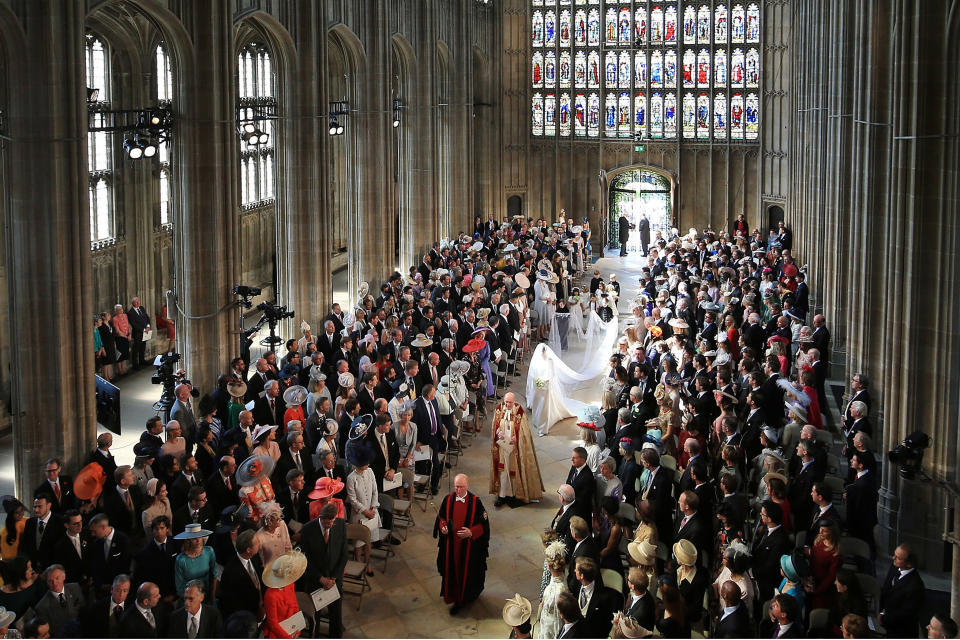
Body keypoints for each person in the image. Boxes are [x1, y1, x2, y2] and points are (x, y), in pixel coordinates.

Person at [434, 474, 490, 615]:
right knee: (451, 573)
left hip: (468, 550)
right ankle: (453, 597)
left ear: (467, 486)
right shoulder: (448, 500)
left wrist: (471, 532)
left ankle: (463, 600)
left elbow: (484, 525)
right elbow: (441, 518)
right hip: (451, 548)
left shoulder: (476, 502)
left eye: (461, 487)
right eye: (456, 487)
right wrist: (443, 528)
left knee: (466, 575)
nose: (458, 490)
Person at [298, 502, 348, 638]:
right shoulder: (308, 529)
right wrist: (320, 578)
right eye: (327, 522)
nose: (331, 525)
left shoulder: (341, 525)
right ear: (321, 517)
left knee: (336, 615)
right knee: (316, 616)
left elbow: (344, 554)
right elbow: (304, 559)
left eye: (333, 521)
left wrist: (334, 578)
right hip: (316, 580)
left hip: (334, 580)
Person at [489, 393, 544, 507]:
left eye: (510, 402)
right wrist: (498, 432)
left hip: (515, 449)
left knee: (515, 472)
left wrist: (517, 438)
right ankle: (502, 495)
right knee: (503, 471)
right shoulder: (499, 410)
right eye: (506, 402)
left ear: (514, 401)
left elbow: (525, 431)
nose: (507, 404)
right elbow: (496, 425)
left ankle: (515, 494)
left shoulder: (519, 413)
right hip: (503, 448)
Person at [879, 544, 925, 638]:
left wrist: (884, 619)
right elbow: (886, 589)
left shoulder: (915, 586)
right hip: (887, 618)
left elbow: (905, 614)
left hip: (901, 631)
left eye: (898, 558)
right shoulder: (895, 566)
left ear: (909, 564)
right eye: (894, 555)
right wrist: (881, 611)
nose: (893, 558)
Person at [261, 550, 306, 638]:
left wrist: (297, 629)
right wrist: (288, 637)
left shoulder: (290, 585)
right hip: (277, 634)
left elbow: (295, 607)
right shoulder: (271, 595)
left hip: (292, 629)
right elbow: (273, 624)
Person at [33, 564, 84, 636]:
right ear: (47, 583)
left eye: (57, 578)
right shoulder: (41, 607)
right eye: (50, 581)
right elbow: (50, 633)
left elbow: (84, 611)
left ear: (64, 577)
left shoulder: (75, 588)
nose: (54, 583)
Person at [172, 523, 217, 597]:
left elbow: (215, 575)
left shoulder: (209, 551)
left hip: (207, 593)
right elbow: (179, 587)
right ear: (188, 540)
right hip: (190, 595)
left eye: (200, 537)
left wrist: (212, 596)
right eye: (194, 538)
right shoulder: (181, 560)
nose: (198, 540)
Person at [126, 297, 151, 369]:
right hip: (138, 333)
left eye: (138, 302)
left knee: (143, 346)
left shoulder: (142, 308)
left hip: (146, 331)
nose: (138, 303)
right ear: (133, 303)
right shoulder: (130, 313)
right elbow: (134, 324)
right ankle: (135, 364)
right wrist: (143, 329)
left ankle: (142, 360)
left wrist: (148, 326)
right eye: (136, 302)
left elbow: (147, 317)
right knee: (136, 348)